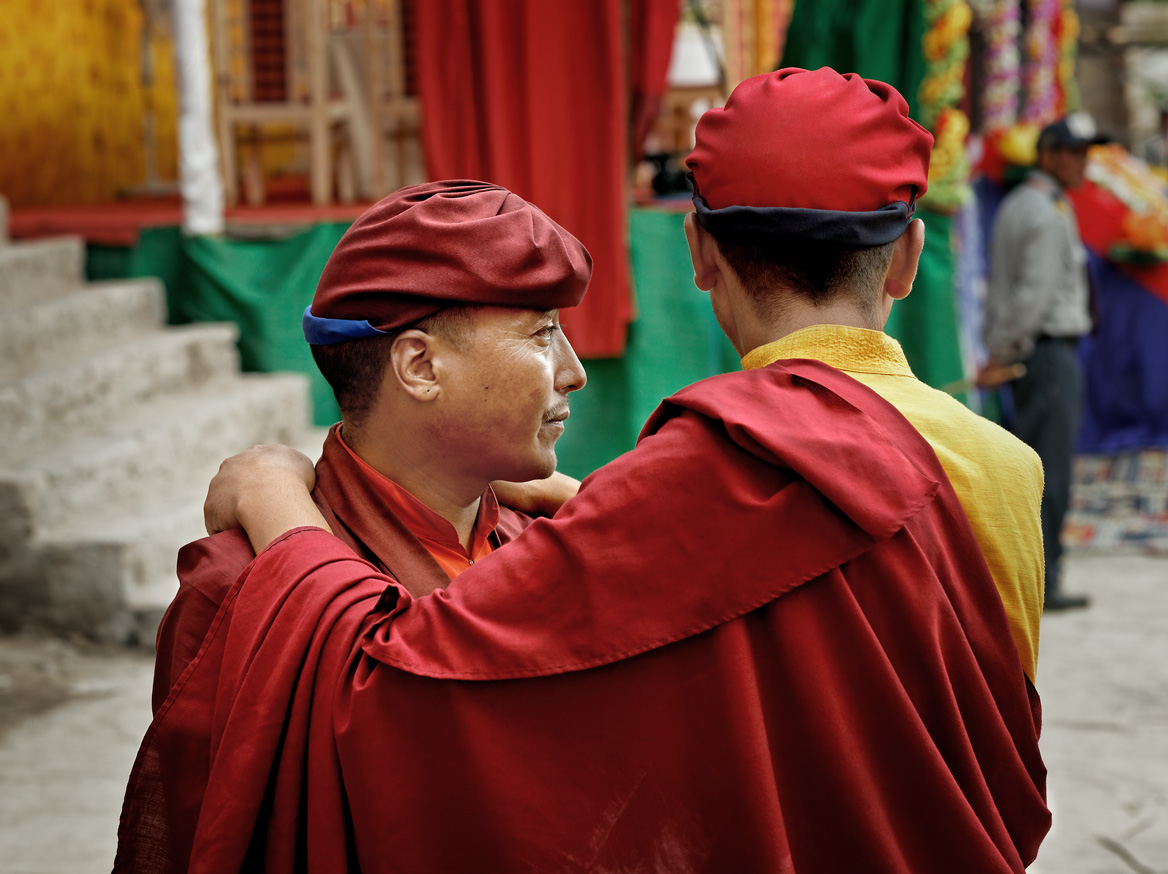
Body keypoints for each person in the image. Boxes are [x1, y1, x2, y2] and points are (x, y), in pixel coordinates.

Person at [127, 69, 1051, 872]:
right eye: (540, 333)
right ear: (910, 261)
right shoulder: (1002, 468)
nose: (572, 369)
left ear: (698, 253)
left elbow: (394, 695)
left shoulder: (667, 490)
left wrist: (272, 492)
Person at [115, 180, 591, 873]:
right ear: (420, 365)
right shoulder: (238, 588)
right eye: (543, 334)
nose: (573, 373)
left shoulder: (540, 545)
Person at [985, 113, 1100, 612]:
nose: (1083, 164)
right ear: (1048, 155)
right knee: (1049, 470)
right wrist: (1005, 351)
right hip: (1046, 352)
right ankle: (1043, 583)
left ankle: (1034, 576)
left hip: (1035, 351)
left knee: (1037, 465)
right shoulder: (1046, 210)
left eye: (1086, 154)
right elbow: (1033, 294)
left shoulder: (1023, 203)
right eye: (1074, 153)